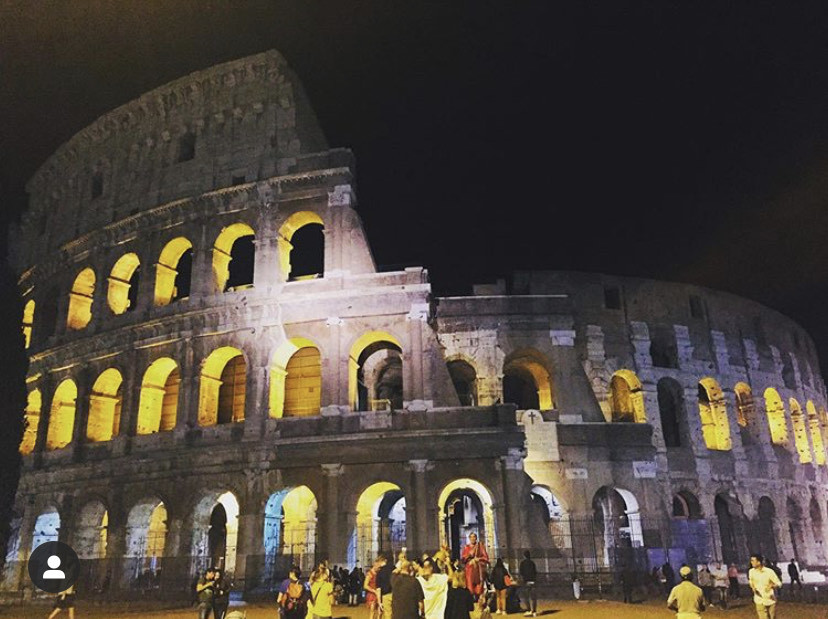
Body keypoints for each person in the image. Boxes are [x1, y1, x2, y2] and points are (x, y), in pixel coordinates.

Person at [748, 554, 781, 619]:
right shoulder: (751, 572)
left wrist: (772, 585)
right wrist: (753, 587)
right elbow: (751, 581)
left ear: (759, 562)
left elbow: (779, 583)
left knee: (772, 617)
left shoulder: (769, 572)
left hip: (770, 599)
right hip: (759, 599)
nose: (751, 562)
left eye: (753, 561)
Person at [461, 533, 490, 597]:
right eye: (471, 537)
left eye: (474, 537)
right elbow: (463, 559)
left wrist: (478, 559)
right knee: (469, 587)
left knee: (479, 588)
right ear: (469, 538)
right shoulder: (466, 547)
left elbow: (486, 558)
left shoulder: (480, 546)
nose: (472, 538)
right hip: (469, 570)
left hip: (478, 570)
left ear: (476, 538)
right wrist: (469, 556)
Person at [375, 553, 394, 619]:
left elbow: (378, 589)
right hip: (396, 594)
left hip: (385, 595)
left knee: (388, 614)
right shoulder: (393, 568)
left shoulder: (379, 573)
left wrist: (379, 602)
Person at [519, 550, 537, 616]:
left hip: (526, 581)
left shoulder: (522, 563)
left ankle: (529, 610)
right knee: (533, 597)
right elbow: (535, 572)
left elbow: (521, 572)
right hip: (533, 581)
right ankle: (534, 611)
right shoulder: (532, 563)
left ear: (524, 556)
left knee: (526, 597)